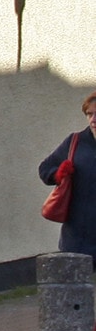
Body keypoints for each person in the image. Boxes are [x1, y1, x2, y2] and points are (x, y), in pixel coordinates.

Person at [40, 94, 96, 259]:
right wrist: (58, 174)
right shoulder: (75, 141)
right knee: (75, 274)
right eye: (90, 114)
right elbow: (45, 168)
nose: (93, 119)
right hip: (78, 235)